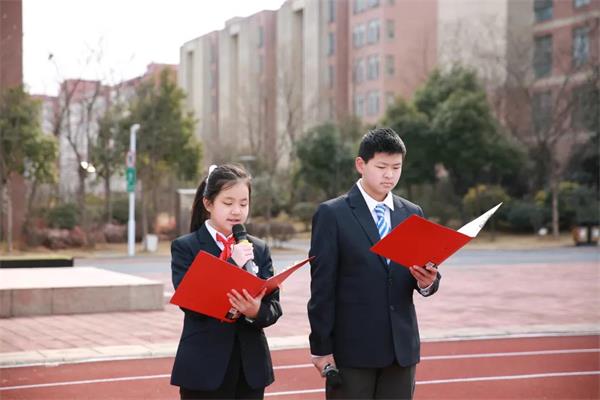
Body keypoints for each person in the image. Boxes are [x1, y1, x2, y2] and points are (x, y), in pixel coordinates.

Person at [307, 127, 441, 399]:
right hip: (352, 352)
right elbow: (322, 286)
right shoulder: (332, 214)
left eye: (396, 167)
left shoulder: (411, 213)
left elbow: (423, 272)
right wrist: (321, 347)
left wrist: (428, 282)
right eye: (381, 166)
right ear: (361, 164)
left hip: (400, 351)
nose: (389, 175)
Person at [170, 164, 282, 399]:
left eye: (243, 203)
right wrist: (231, 263)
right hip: (203, 367)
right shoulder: (186, 247)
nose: (237, 211)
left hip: (249, 369)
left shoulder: (258, 248)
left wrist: (255, 311)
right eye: (228, 203)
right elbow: (191, 304)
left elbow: (273, 308)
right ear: (208, 203)